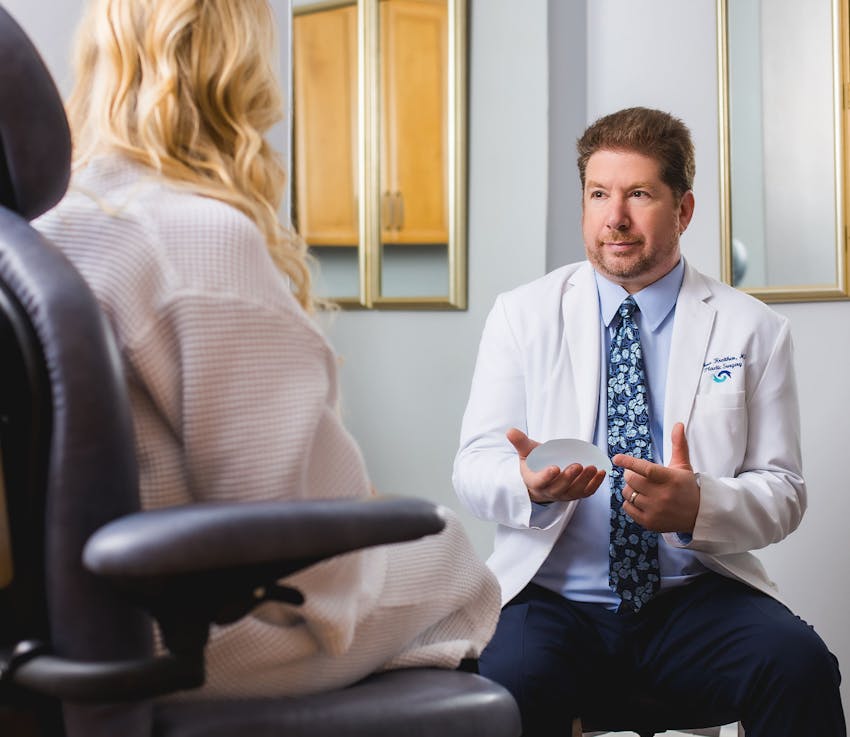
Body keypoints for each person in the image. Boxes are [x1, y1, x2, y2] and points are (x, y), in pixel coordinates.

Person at [34, 0, 500, 699]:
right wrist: (369, 509)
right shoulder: (195, 238)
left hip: (52, 629)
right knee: (453, 555)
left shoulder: (47, 229)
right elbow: (315, 563)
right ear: (236, 66)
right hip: (193, 639)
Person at [453, 107, 845, 736]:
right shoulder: (521, 316)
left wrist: (699, 506)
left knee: (798, 666)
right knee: (502, 689)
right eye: (598, 194)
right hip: (553, 601)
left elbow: (784, 491)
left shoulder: (754, 329)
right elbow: (474, 467)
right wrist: (529, 486)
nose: (615, 218)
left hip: (692, 599)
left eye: (638, 194)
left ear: (683, 210)